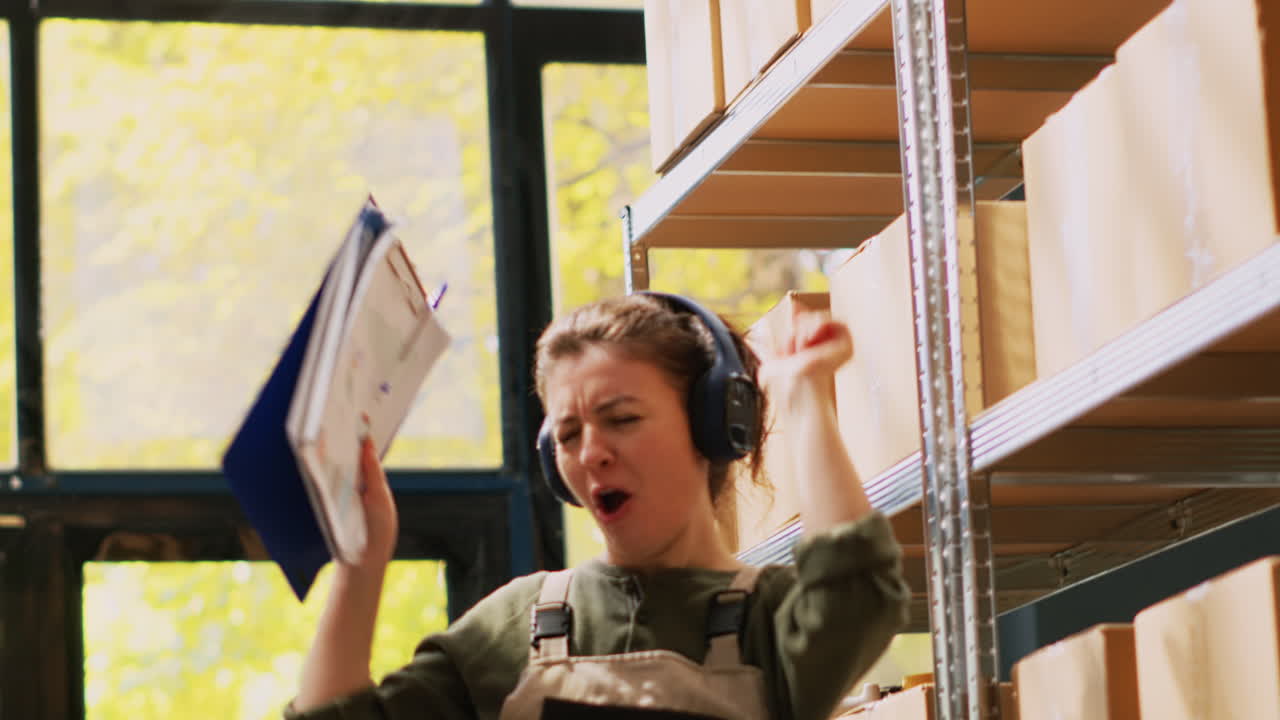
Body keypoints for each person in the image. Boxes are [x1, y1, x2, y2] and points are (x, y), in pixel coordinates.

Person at [286, 291, 911, 720]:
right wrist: (361, 564)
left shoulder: (769, 623)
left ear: (713, 424)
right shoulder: (518, 627)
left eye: (622, 419)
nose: (592, 453)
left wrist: (805, 397)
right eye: (568, 434)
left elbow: (855, 589)